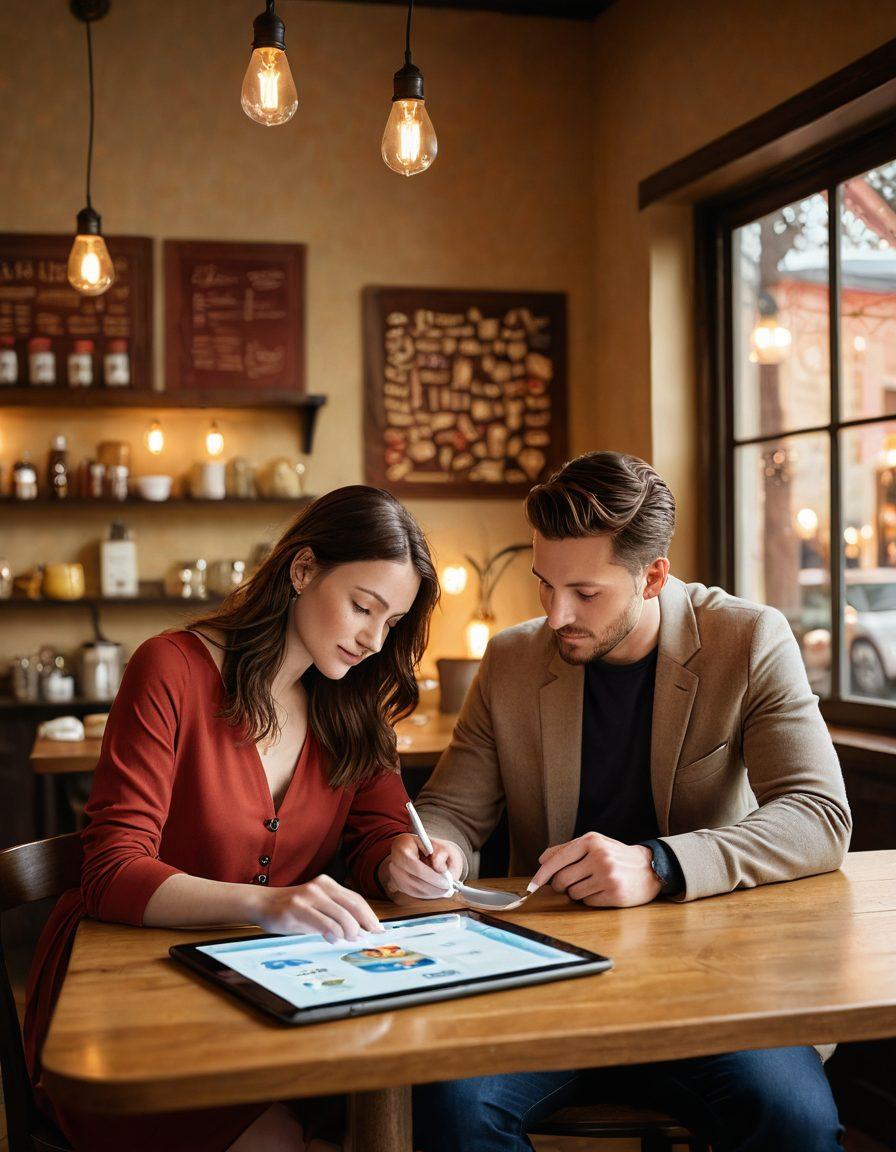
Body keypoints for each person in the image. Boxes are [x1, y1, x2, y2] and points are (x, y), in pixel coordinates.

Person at [384, 451, 851, 1152]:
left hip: (712, 980)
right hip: (543, 981)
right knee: (447, 1109)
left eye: (585, 592)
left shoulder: (749, 638)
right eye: (545, 585)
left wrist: (659, 864)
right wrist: (435, 849)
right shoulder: (511, 660)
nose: (556, 615)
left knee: (796, 1122)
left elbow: (819, 814)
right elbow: (454, 808)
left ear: (653, 576)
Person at [24, 485, 440, 1152]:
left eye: (391, 623)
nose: (372, 639)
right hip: (132, 998)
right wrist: (269, 904)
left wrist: (403, 862)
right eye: (363, 607)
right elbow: (111, 872)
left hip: (279, 992)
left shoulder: (350, 702)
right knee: (287, 1140)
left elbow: (381, 832)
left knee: (412, 1106)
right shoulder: (172, 669)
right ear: (303, 569)